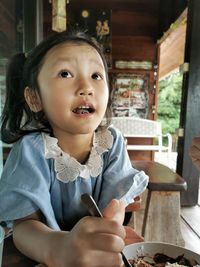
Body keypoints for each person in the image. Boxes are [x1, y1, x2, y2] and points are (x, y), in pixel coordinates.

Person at [0, 30, 148, 267]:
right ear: (35, 98)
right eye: (65, 73)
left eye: (96, 76)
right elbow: (24, 226)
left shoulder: (112, 142)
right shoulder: (31, 150)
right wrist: (58, 248)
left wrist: (110, 226)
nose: (86, 87)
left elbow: (115, 205)